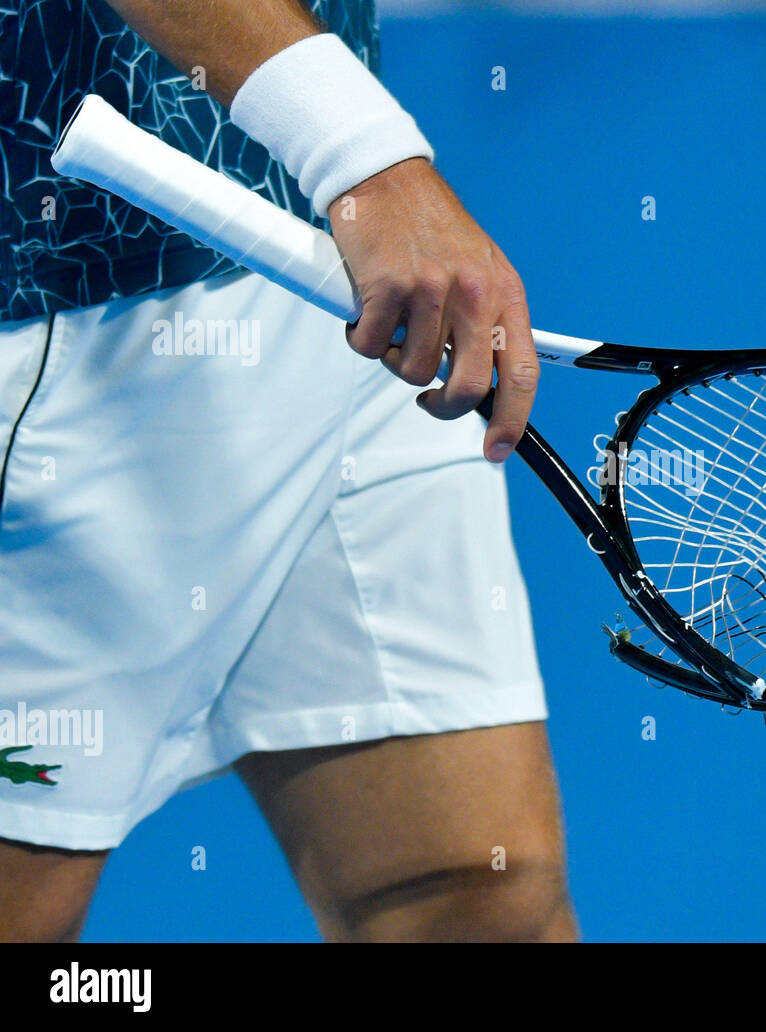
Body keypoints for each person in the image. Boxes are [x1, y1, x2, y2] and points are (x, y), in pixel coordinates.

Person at [0, 0, 578, 942]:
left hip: (331, 272)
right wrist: (361, 155)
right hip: (62, 319)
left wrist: (350, 166)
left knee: (471, 896)